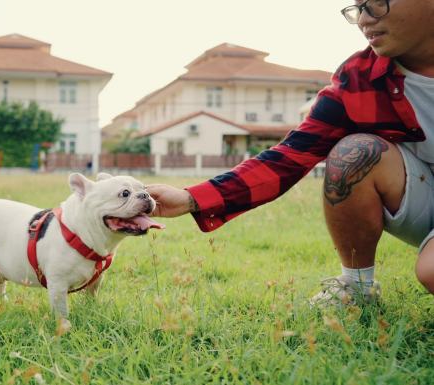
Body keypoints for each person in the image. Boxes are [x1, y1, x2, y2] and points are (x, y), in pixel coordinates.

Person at [147, 0, 434, 306]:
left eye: (376, 3)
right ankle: (356, 288)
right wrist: (192, 198)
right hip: (423, 196)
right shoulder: (358, 78)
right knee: (356, 152)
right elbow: (288, 157)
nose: (363, 19)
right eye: (358, 7)